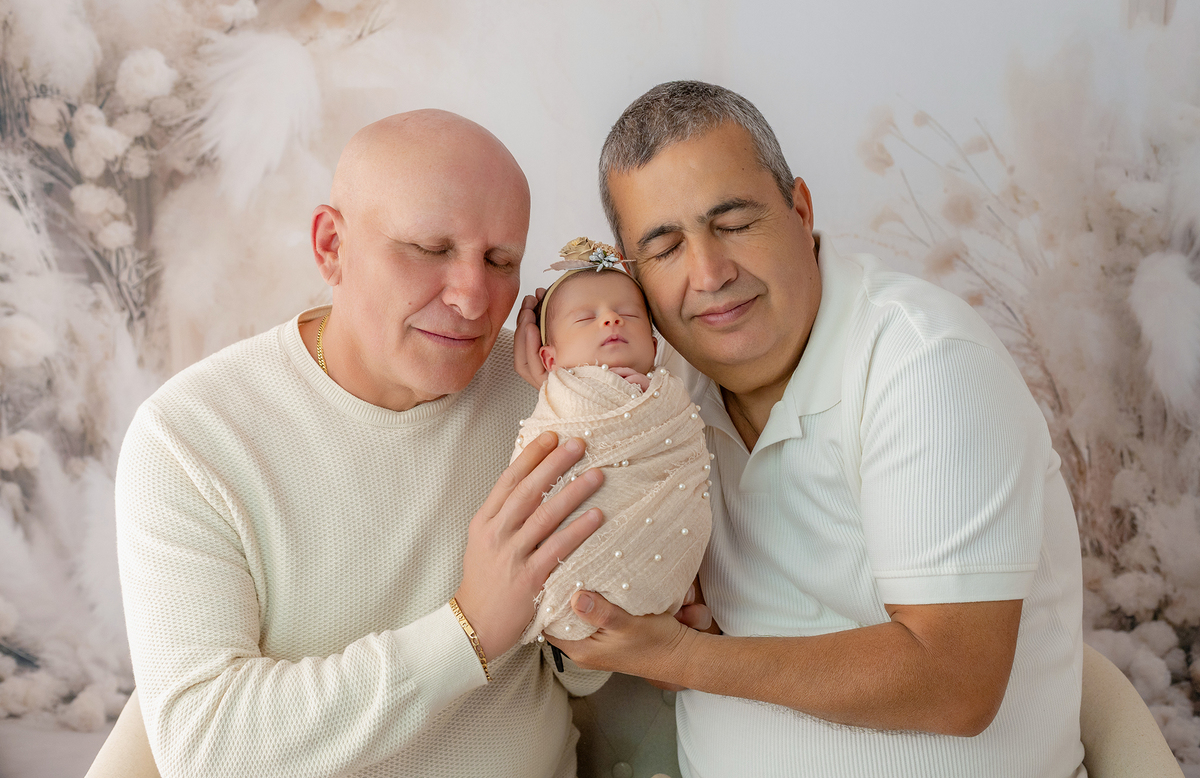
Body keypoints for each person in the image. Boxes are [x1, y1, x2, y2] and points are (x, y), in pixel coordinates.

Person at [516, 80, 1086, 777]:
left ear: (800, 209)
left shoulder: (922, 363)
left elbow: (955, 681)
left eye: (733, 222)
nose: (709, 272)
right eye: (665, 247)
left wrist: (683, 658)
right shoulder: (664, 400)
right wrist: (572, 388)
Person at [105, 110, 611, 778]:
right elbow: (207, 748)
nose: (471, 298)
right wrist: (468, 632)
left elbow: (584, 673)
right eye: (429, 249)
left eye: (500, 261)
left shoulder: (545, 393)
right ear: (330, 246)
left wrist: (611, 609)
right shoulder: (192, 438)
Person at [515, 237, 710, 645]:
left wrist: (647, 401)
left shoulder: (671, 396)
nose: (611, 321)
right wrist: (574, 393)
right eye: (586, 319)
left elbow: (684, 450)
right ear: (550, 361)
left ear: (655, 348)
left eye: (627, 314)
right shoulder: (560, 400)